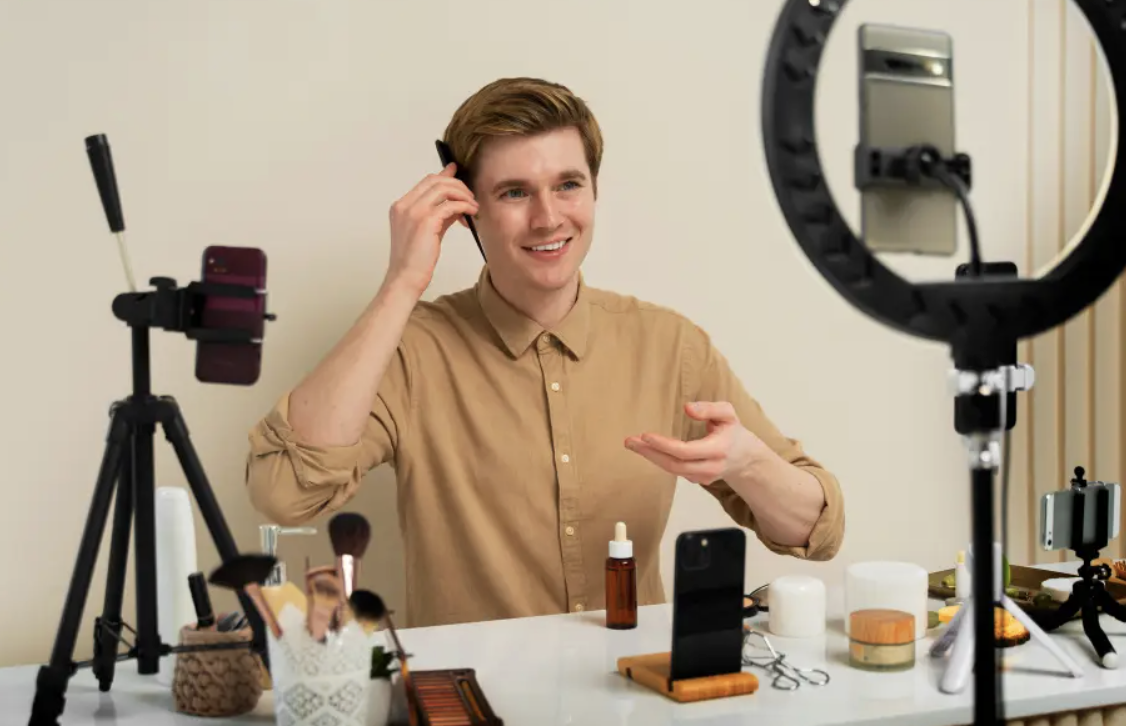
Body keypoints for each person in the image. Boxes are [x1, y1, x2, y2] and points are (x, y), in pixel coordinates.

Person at [245, 77, 844, 628]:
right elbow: (284, 492)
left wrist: (749, 464)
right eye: (514, 192)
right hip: (474, 704)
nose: (548, 217)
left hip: (634, 700)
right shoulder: (410, 350)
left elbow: (818, 529)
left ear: (594, 190)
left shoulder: (670, 346)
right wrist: (402, 281)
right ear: (465, 207)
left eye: (567, 185)